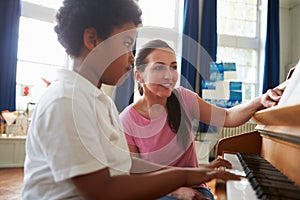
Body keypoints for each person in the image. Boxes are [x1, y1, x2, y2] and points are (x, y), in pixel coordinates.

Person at [22, 1, 241, 200]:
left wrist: (193, 173)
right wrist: (182, 177)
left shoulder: (100, 101)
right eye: (126, 44)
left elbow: (125, 164)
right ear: (92, 39)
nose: (132, 57)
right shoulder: (65, 101)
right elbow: (103, 190)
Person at [119, 39, 283, 199]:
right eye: (159, 67)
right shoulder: (127, 119)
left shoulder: (184, 98)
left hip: (195, 186)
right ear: (139, 76)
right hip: (157, 191)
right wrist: (175, 190)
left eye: (173, 67)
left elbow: (227, 116)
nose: (169, 75)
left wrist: (260, 100)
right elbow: (135, 172)